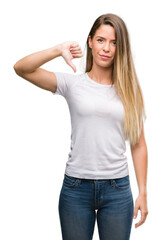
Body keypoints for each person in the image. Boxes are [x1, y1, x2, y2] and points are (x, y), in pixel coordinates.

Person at [13, 13, 148, 240]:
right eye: (101, 40)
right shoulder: (73, 84)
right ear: (90, 42)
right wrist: (58, 49)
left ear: (121, 48)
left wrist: (143, 192)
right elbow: (21, 68)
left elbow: (139, 144)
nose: (106, 48)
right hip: (76, 189)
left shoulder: (130, 90)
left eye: (114, 42)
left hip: (117, 190)